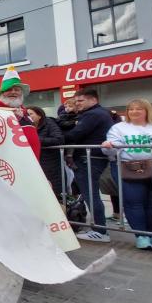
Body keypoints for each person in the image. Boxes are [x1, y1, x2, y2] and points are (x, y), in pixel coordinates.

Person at [102, 99, 152, 250]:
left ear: (147, 110)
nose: (134, 112)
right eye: (131, 109)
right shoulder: (118, 128)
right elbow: (110, 150)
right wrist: (108, 147)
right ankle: (141, 236)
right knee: (134, 202)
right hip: (128, 168)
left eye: (139, 109)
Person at [64, 89, 115, 243]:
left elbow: (75, 134)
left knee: (90, 194)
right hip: (92, 157)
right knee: (90, 194)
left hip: (89, 158)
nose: (77, 104)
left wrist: (57, 137)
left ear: (93, 100)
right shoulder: (99, 113)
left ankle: (100, 231)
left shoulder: (93, 114)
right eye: (76, 101)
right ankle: (100, 228)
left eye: (81, 100)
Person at [27, 106, 64, 198]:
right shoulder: (27, 126)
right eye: (27, 114)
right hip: (35, 161)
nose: (28, 116)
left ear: (39, 115)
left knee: (54, 190)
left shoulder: (49, 123)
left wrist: (35, 140)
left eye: (31, 114)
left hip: (50, 162)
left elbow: (58, 139)